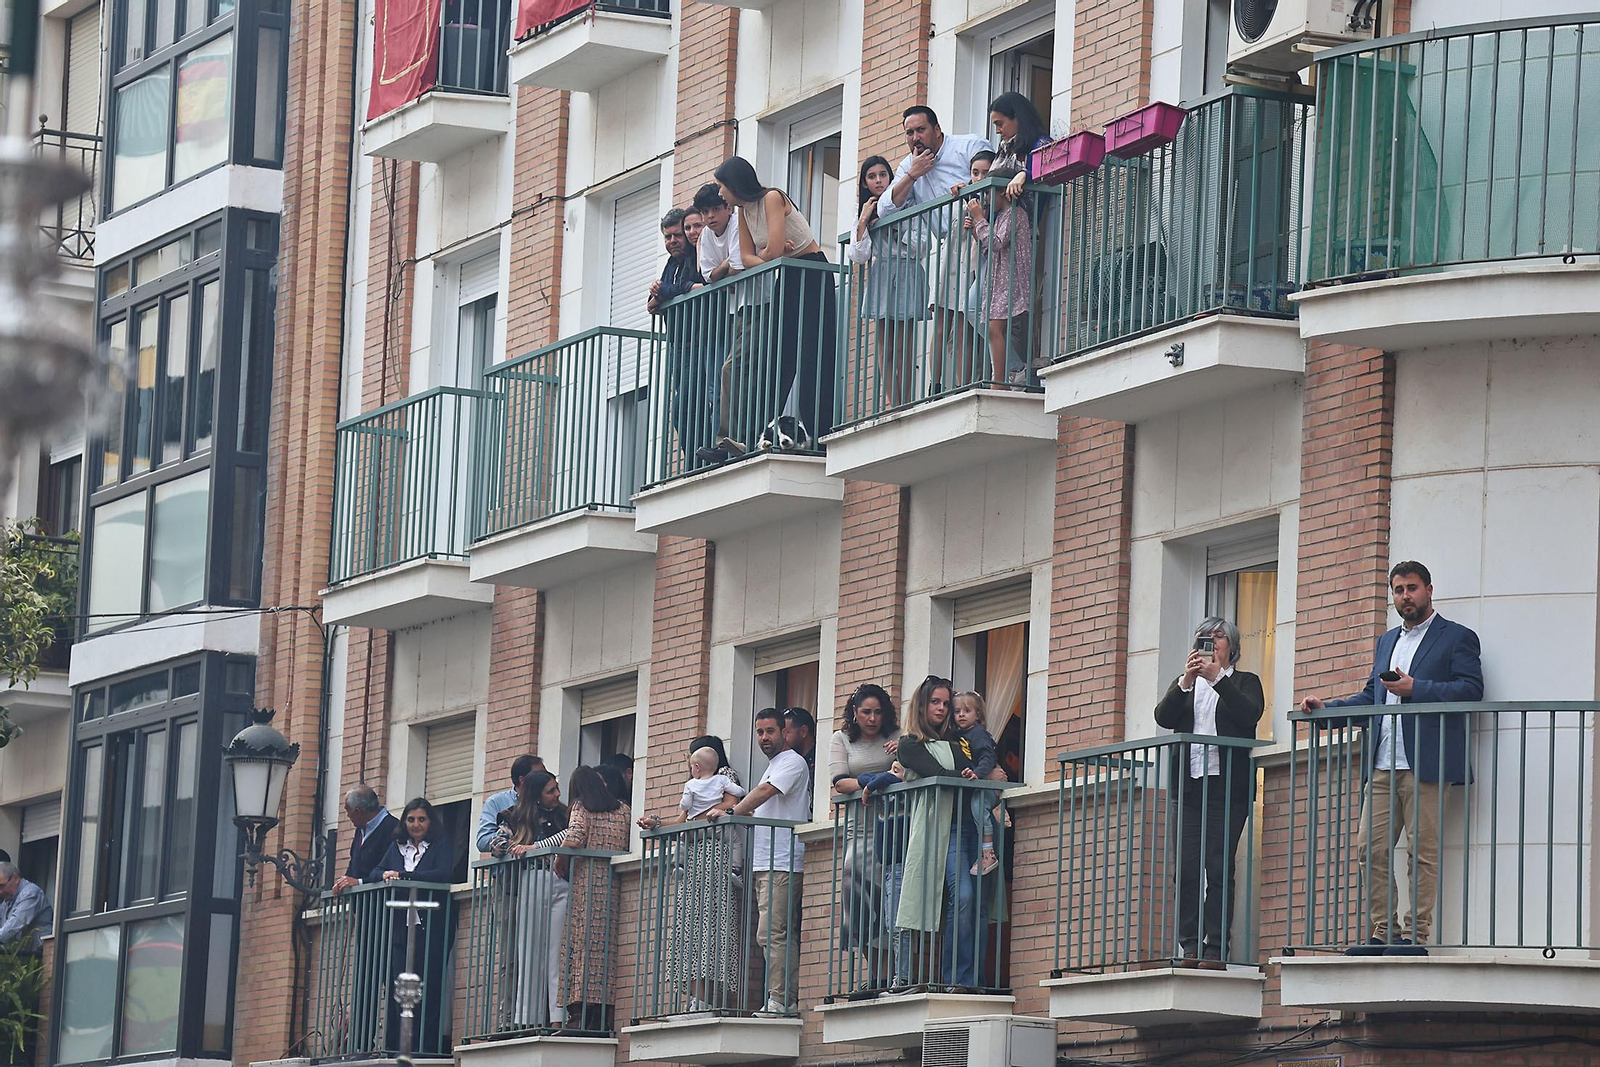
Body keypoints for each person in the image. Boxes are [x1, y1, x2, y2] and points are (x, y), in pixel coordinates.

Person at [1299, 561, 1483, 955]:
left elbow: (1470, 690)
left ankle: (1415, 936)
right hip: (1383, 763)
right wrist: (1327, 709)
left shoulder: (1457, 637)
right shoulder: (1387, 641)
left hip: (1427, 763)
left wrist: (1417, 688)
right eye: (1398, 590)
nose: (1405, 597)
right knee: (1371, 849)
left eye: (1411, 588)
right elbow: (1372, 696)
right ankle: (1384, 933)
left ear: (1429, 590)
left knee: (1423, 852)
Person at [1154, 618, 1265, 962]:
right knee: (1186, 869)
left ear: (1231, 646)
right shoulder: (1186, 685)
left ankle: (1216, 947)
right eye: (1205, 637)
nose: (1211, 642)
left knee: (1217, 868)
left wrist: (1217, 678)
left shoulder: (1245, 682)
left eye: (1218, 636)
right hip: (1188, 789)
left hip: (1226, 790)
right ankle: (1190, 944)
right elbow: (1163, 717)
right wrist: (1186, 681)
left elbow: (1249, 715)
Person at [714, 156, 839, 450]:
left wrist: (769, 254)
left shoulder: (772, 197)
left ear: (734, 183)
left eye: (721, 187)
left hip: (811, 271)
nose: (720, 193)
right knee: (778, 356)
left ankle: (819, 432)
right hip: (786, 274)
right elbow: (744, 258)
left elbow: (765, 253)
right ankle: (759, 434)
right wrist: (771, 254)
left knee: (812, 356)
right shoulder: (743, 212)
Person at [708, 708, 809, 1016]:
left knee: (772, 933)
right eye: (760, 732)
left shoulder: (792, 761)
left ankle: (780, 1000)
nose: (765, 738)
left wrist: (732, 811)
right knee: (772, 934)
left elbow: (766, 793)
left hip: (782, 861)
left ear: (785, 733)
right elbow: (762, 805)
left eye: (771, 731)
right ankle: (782, 997)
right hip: (766, 861)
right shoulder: (774, 765)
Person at [638, 741, 746, 1014]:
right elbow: (683, 820)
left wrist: (698, 817)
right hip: (695, 858)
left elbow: (733, 803)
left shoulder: (724, 776)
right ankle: (697, 997)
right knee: (692, 930)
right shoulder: (695, 785)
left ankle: (710, 997)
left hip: (714, 853)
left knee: (712, 927)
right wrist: (657, 822)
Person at [369, 798, 455, 1054]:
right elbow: (376, 872)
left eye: (421, 819)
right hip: (401, 929)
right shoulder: (397, 847)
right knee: (400, 988)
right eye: (411, 819)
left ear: (430, 821)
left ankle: (425, 1048)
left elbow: (442, 874)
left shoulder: (440, 844)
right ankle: (397, 1047)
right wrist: (386, 875)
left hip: (431, 928)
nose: (416, 825)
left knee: (428, 989)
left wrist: (406, 877)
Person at [830, 684, 900, 989]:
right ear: (854, 713)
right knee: (859, 902)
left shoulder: (896, 737)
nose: (872, 718)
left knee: (888, 903)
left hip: (893, 828)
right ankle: (876, 974)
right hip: (859, 831)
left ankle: (889, 974)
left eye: (877, 712)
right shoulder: (841, 738)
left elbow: (905, 770)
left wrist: (899, 759)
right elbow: (839, 783)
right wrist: (869, 781)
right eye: (865, 712)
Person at [845, 155, 928, 408]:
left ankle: (906, 400)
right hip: (882, 273)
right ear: (865, 183)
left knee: (904, 345)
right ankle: (892, 400)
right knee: (884, 347)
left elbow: (920, 246)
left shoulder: (910, 202)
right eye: (872, 177)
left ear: (891, 178)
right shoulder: (866, 210)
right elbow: (858, 254)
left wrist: (891, 228)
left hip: (908, 270)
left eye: (883, 175)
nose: (879, 181)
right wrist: (864, 220)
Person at [553, 766, 630, 1032]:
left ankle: (579, 1015)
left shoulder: (581, 806)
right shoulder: (623, 809)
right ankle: (604, 1014)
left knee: (581, 946)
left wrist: (559, 858)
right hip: (613, 882)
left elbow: (574, 839)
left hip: (587, 881)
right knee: (604, 951)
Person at [988, 91, 1053, 382]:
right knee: (985, 309)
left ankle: (1022, 369)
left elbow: (1049, 160)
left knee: (1019, 310)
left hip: (1023, 236)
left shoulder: (1038, 143)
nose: (998, 130)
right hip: (1000, 237)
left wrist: (1024, 175)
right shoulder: (1004, 150)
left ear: (1018, 118)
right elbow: (994, 181)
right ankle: (1016, 367)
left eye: (1001, 123)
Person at [497, 769, 569, 1029]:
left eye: (556, 788)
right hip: (532, 878)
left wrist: (534, 847)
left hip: (561, 880)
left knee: (557, 952)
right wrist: (514, 846)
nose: (557, 794)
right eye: (551, 790)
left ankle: (558, 1017)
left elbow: (573, 835)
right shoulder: (513, 816)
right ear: (537, 795)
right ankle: (526, 1020)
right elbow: (497, 844)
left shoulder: (564, 813)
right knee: (529, 951)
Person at [691, 182, 745, 465]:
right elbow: (709, 274)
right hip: (737, 308)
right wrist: (723, 270)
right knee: (732, 371)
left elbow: (736, 265)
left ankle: (728, 439)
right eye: (705, 212)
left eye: (715, 209)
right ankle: (728, 440)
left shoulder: (738, 225)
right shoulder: (708, 237)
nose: (710, 216)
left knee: (731, 369)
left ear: (728, 208)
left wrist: (722, 269)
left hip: (758, 302)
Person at [966, 165, 1033, 387]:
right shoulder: (1003, 216)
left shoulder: (1015, 213)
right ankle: (1003, 377)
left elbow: (995, 243)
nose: (985, 198)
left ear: (1003, 191)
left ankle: (999, 380)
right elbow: (988, 246)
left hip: (1010, 279)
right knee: (993, 327)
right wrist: (977, 229)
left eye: (989, 192)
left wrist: (979, 219)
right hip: (1001, 279)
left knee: (994, 328)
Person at [653, 210, 709, 461]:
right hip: (678, 347)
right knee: (684, 409)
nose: (673, 240)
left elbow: (697, 285)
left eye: (678, 234)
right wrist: (659, 295)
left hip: (698, 344)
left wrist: (668, 290)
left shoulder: (694, 257)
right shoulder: (671, 264)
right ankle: (695, 459)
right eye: (668, 237)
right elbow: (655, 301)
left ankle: (700, 459)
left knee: (685, 407)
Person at [878, 106, 993, 221]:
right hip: (945, 238)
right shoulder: (908, 165)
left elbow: (994, 184)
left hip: (982, 231)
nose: (915, 138)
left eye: (921, 130)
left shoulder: (970, 146)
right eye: (909, 133)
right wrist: (912, 175)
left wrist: (967, 191)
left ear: (937, 130)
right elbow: (884, 211)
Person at [951, 691, 1000, 877]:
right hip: (977, 783)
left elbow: (988, 757)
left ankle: (988, 853)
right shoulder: (958, 734)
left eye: (967, 710)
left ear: (978, 714)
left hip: (984, 783)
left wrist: (977, 773)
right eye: (957, 711)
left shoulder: (978, 733)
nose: (961, 714)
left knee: (979, 807)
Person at [332, 783, 399, 894]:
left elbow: (390, 869)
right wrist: (343, 882)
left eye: (348, 810)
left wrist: (359, 882)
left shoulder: (393, 829)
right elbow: (354, 862)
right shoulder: (360, 828)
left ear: (358, 812)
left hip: (381, 905)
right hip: (361, 907)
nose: (348, 816)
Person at [476, 754, 544, 854]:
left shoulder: (544, 801)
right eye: (539, 775)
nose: (544, 779)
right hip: (509, 869)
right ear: (522, 780)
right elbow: (482, 841)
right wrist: (512, 841)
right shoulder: (495, 802)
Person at [0, 861, 52, 952]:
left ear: (15, 878)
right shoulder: (7, 901)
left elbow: (14, 925)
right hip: (23, 959)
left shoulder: (30, 893)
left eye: (2, 886)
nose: (0, 891)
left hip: (42, 957)